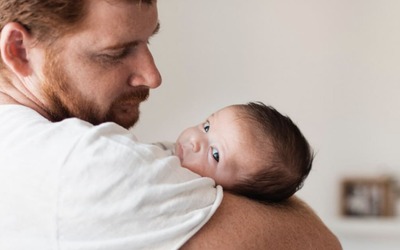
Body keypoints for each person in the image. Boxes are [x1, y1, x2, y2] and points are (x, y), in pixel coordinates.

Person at [0, 0, 341, 249]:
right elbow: (320, 242)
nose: (153, 75)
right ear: (19, 50)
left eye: (148, 41)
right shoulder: (80, 162)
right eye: (117, 52)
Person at [155, 101, 314, 203]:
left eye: (215, 154)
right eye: (207, 127)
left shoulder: (191, 194)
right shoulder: (168, 152)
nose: (195, 141)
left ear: (233, 195)